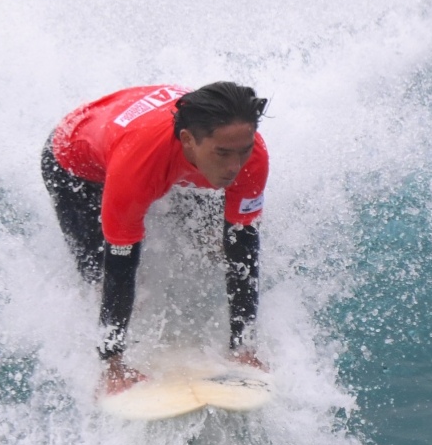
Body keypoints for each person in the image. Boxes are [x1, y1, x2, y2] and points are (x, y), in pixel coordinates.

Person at [41, 81, 268, 394]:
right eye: (224, 154)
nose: (236, 166)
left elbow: (243, 248)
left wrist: (244, 347)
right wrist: (113, 364)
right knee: (114, 279)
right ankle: (108, 355)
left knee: (216, 245)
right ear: (188, 141)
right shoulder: (137, 168)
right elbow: (119, 269)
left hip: (145, 138)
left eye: (243, 151)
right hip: (75, 163)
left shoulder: (249, 156)